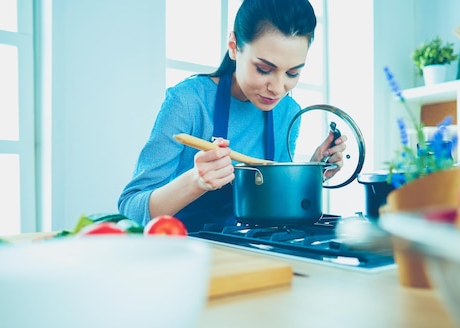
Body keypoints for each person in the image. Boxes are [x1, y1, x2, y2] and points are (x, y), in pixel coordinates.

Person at [118, 0, 347, 232]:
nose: (278, 88)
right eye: (264, 69)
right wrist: (196, 181)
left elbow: (273, 205)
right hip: (183, 252)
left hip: (251, 254)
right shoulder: (188, 102)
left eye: (292, 72)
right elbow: (129, 211)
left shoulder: (288, 112)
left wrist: (312, 173)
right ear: (234, 45)